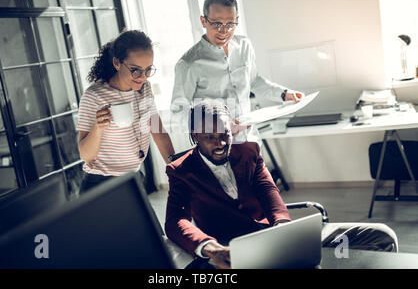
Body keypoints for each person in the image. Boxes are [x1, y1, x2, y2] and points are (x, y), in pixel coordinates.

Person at [165, 99, 398, 269]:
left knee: (381, 236)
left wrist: (283, 227)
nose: (220, 143)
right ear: (195, 136)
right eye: (209, 137)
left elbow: (269, 191)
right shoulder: (181, 171)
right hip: (230, 250)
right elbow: (176, 219)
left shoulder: (249, 152)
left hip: (275, 236)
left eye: (225, 134)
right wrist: (210, 247)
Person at [170, 0, 303, 146]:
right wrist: (216, 127)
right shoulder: (188, 63)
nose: (224, 31)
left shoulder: (244, 46)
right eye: (216, 23)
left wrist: (284, 94)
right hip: (217, 148)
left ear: (236, 21)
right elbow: (178, 113)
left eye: (230, 24)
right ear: (203, 21)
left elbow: (253, 81)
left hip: (250, 140)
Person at [77, 30, 174, 193]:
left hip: (133, 178)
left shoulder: (144, 90)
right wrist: (97, 128)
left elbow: (158, 132)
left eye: (148, 70)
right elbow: (86, 156)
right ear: (117, 63)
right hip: (101, 186)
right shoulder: (94, 96)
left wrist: (176, 169)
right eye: (135, 70)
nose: (143, 77)